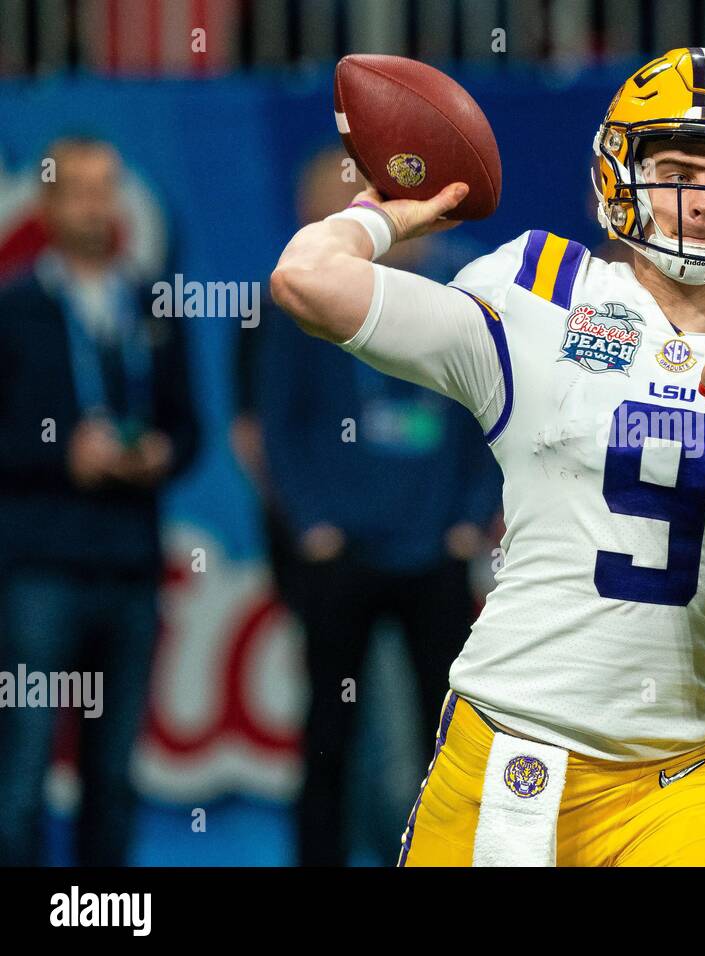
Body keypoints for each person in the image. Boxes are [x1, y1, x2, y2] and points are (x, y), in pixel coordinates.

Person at [270, 47, 705, 867]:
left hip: (678, 780)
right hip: (508, 752)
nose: (703, 202)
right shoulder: (539, 288)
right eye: (676, 169)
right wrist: (391, 213)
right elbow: (305, 280)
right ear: (620, 176)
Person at [243, 148, 501, 866]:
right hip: (340, 554)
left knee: (448, 737)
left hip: (435, 554)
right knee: (329, 731)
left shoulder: (460, 296)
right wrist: (312, 523)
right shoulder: (297, 304)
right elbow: (278, 426)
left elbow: (491, 415)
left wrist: (469, 518)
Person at [0, 137, 199, 865]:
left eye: (106, 187)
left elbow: (191, 428)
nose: (94, 203)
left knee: (113, 774)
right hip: (38, 569)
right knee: (20, 771)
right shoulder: (13, 307)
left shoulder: (152, 305)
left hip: (127, 566)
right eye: (77, 188)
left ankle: (99, 915)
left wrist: (161, 454)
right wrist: (61, 455)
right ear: (46, 202)